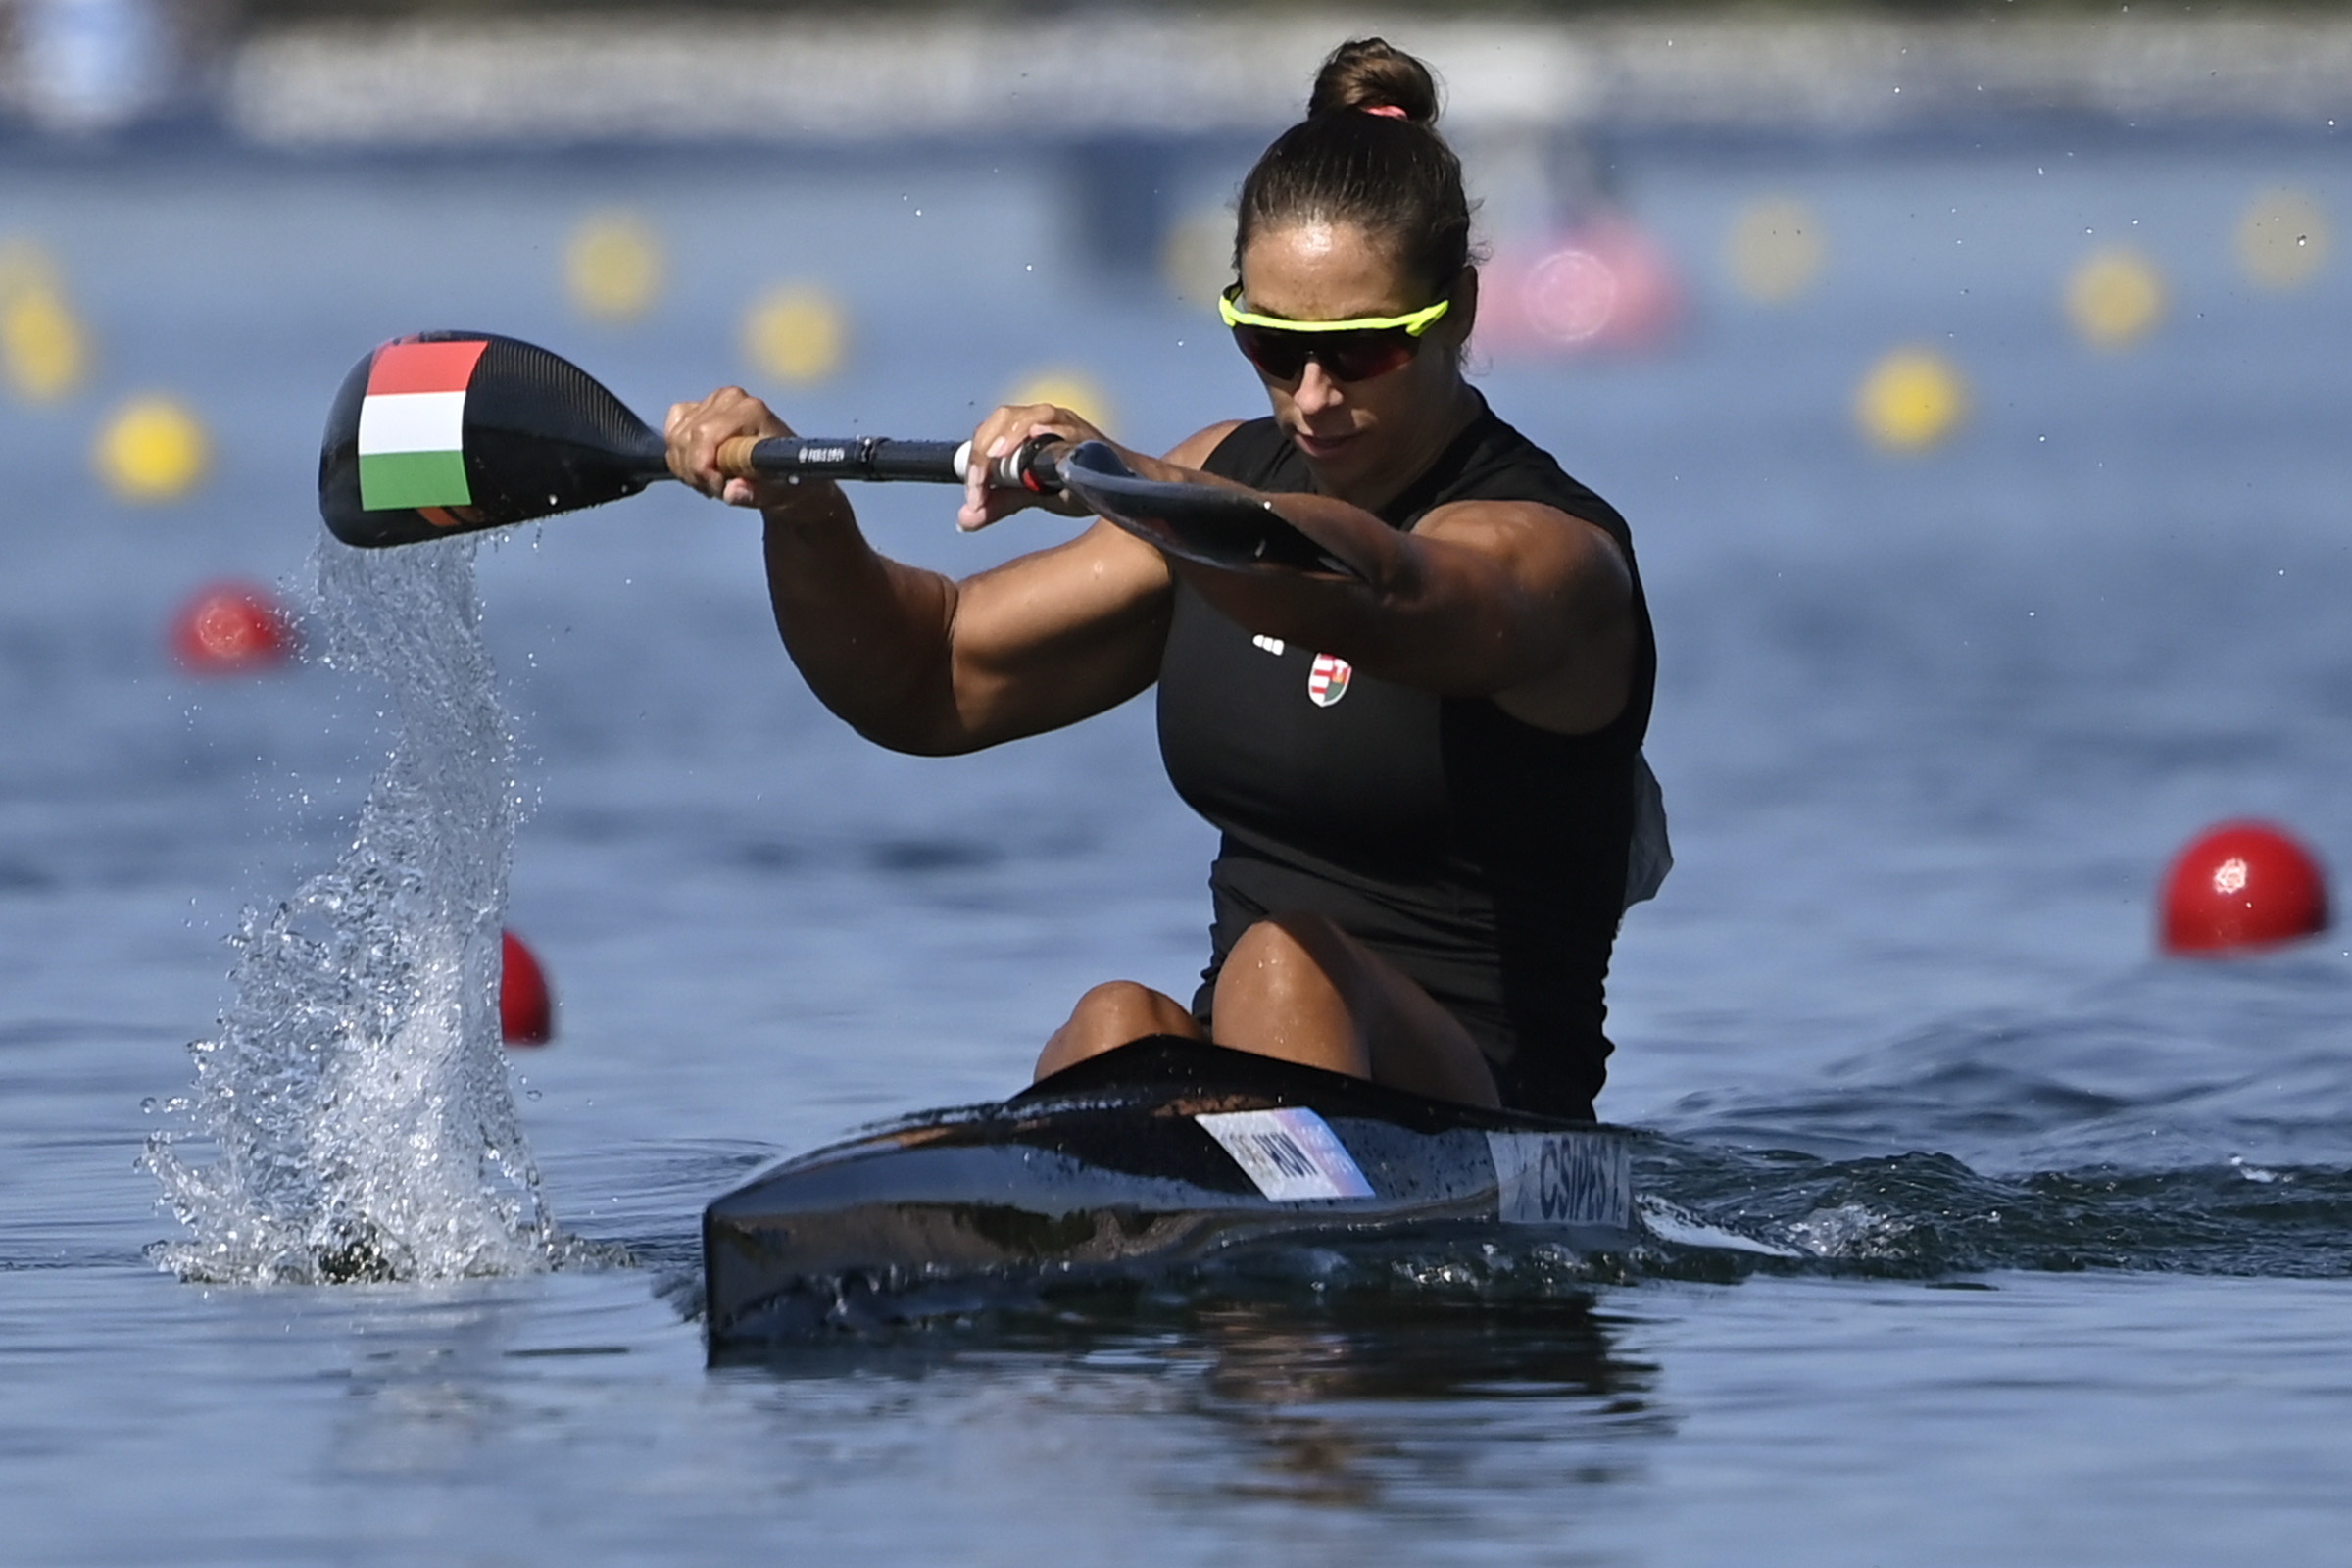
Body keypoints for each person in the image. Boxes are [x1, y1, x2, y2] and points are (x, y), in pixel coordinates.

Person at [665, 38, 1660, 1120]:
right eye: (1274, 347)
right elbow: (926, 674)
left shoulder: (1553, 554)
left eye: (1364, 350)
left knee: (1287, 965)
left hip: (1494, 1119)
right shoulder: (1213, 483)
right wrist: (808, 516)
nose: (1313, 398)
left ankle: (1253, 1238)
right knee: (1116, 1022)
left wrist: (1127, 483)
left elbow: (1381, 593)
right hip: (1268, 1096)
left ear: (1459, 312)